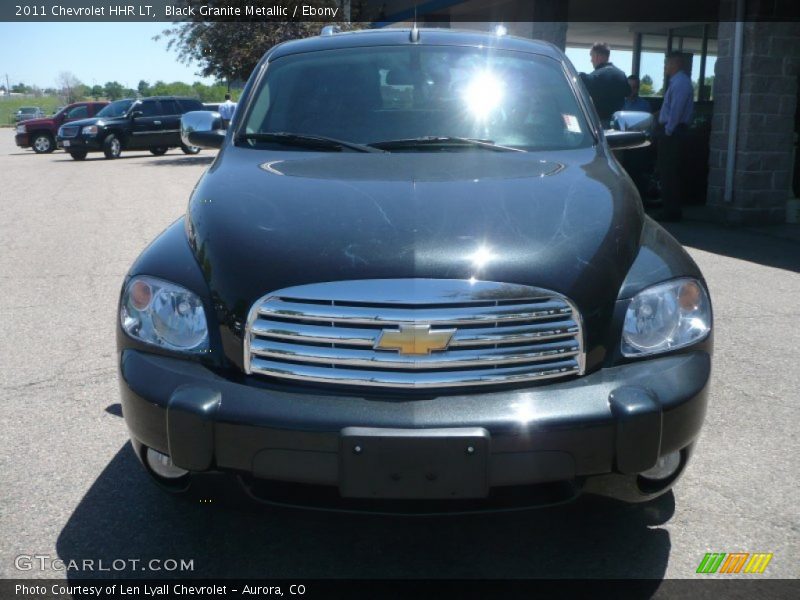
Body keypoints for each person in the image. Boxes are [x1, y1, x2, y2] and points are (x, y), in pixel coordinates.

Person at [653, 52, 694, 222]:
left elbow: (676, 110)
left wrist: (668, 131)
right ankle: (669, 209)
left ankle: (672, 212)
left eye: (667, 63)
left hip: (673, 132)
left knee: (670, 172)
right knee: (666, 171)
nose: (665, 67)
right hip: (672, 131)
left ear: (676, 64)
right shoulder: (676, 82)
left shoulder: (681, 83)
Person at [579, 42, 630, 126]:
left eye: (591, 56)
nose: (591, 60)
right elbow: (628, 93)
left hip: (597, 126)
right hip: (618, 126)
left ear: (597, 56)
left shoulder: (594, 77)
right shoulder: (622, 75)